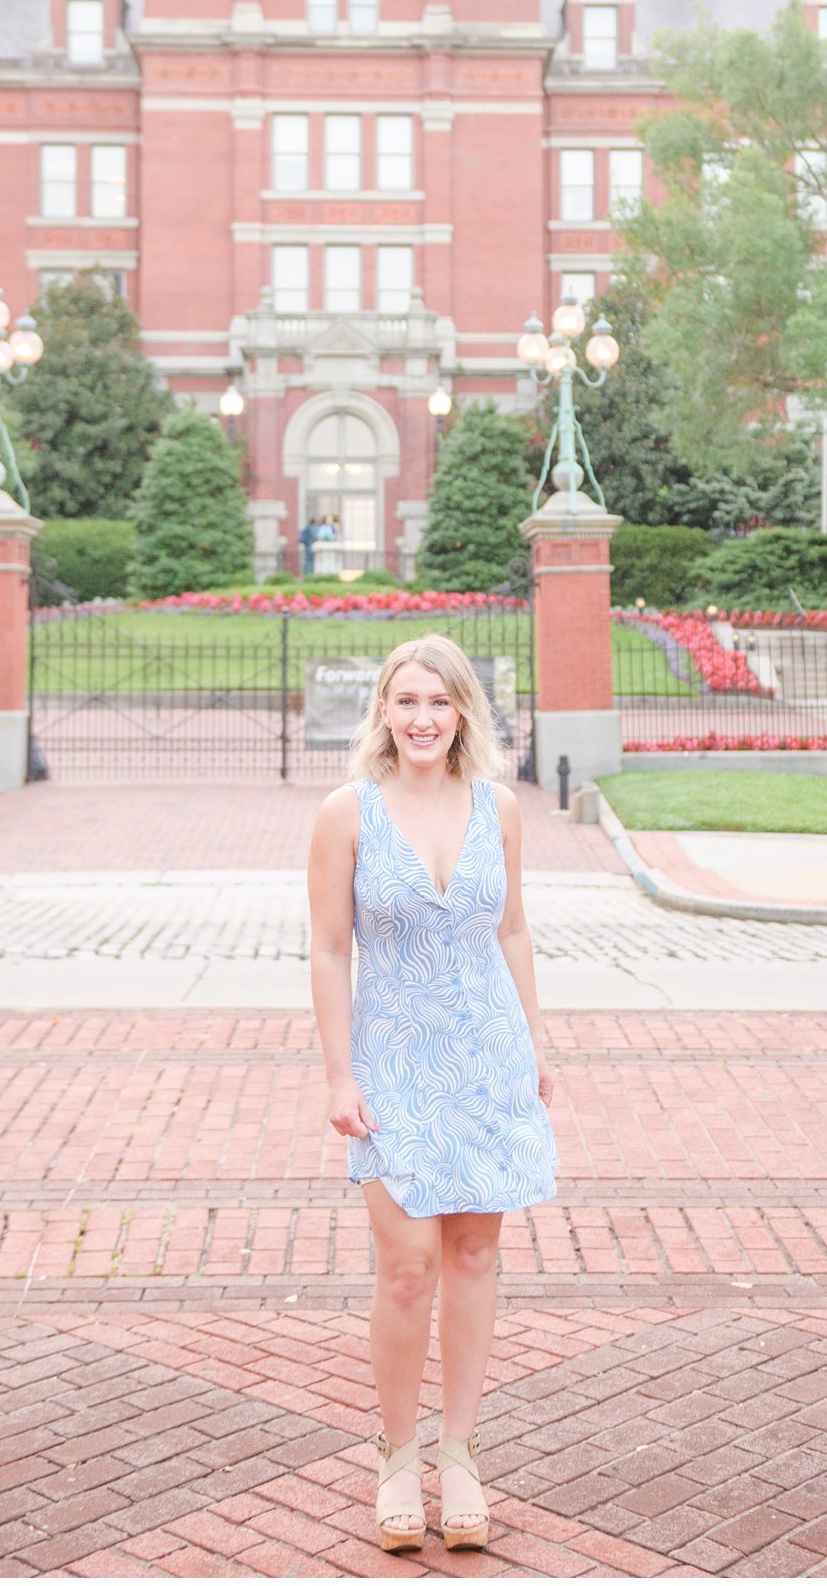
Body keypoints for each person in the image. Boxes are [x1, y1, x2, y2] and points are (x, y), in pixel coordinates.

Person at [307, 635, 557, 1555]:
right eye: (406, 700)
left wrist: (534, 1041)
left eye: (438, 702)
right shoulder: (348, 812)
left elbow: (513, 929)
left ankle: (459, 1454)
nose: (422, 718)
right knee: (408, 1264)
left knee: (476, 1255)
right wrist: (340, 1073)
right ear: (383, 709)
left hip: (487, 1054)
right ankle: (396, 1455)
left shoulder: (499, 807)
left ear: (462, 713)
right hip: (393, 1062)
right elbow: (328, 948)